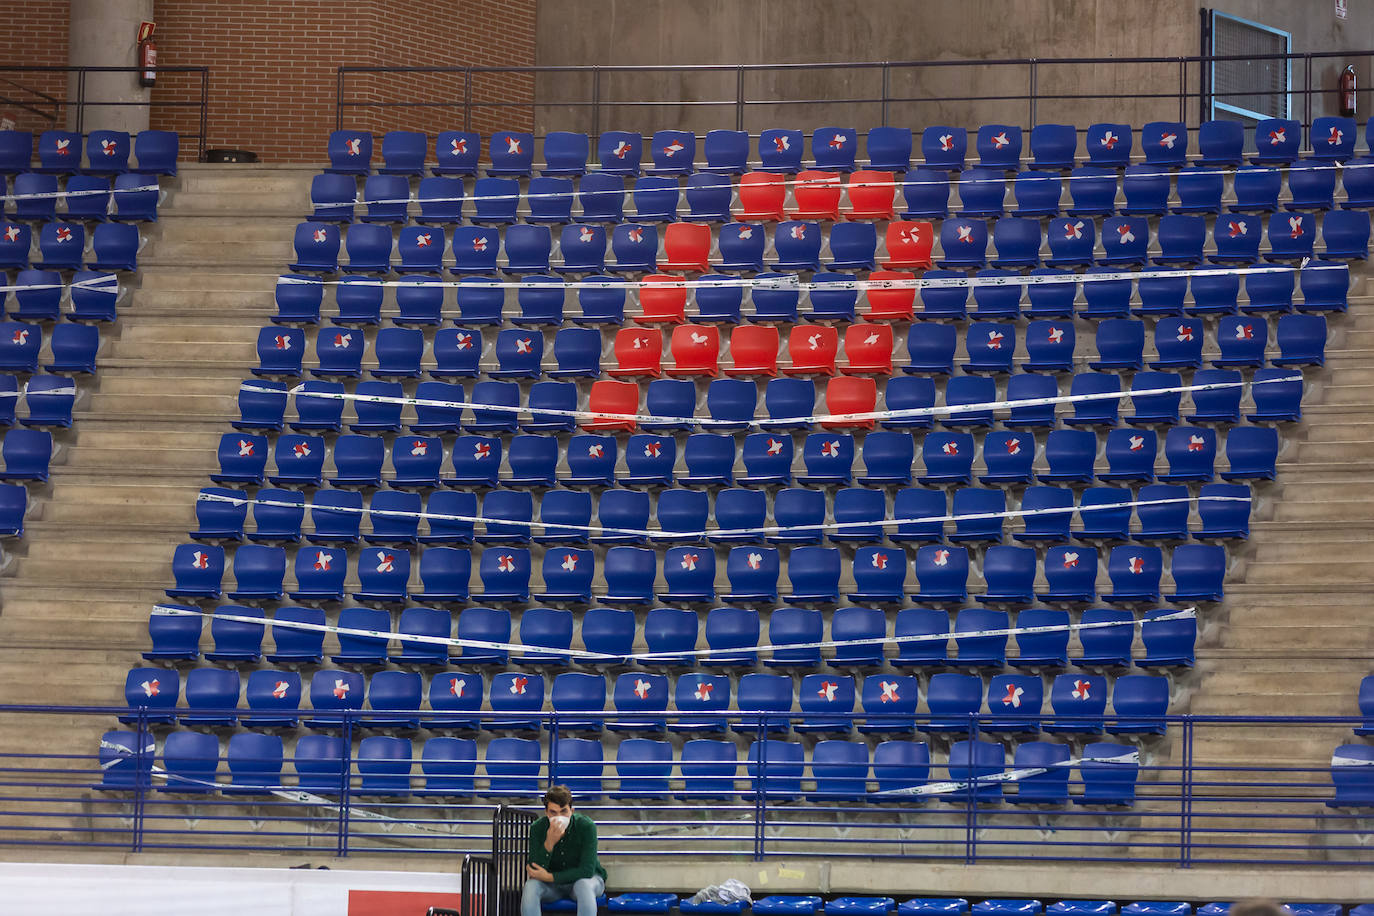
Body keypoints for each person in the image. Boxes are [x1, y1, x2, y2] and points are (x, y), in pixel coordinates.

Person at [521, 785, 607, 916]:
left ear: (572, 811)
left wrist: (550, 877)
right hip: (552, 887)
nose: (559, 817)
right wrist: (549, 843)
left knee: (583, 885)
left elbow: (587, 871)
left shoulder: (586, 826)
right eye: (553, 813)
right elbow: (534, 870)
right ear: (546, 813)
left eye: (564, 812)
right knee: (530, 886)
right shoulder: (537, 828)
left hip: (587, 881)